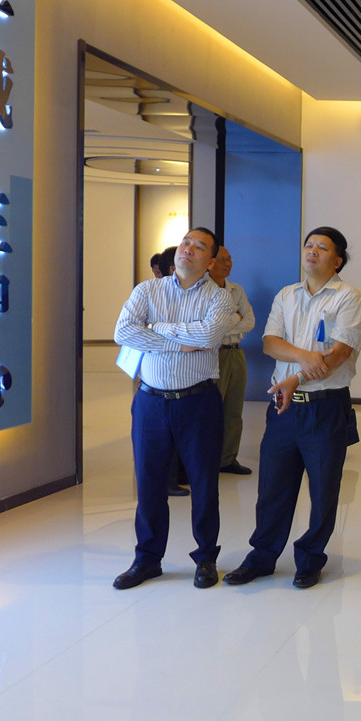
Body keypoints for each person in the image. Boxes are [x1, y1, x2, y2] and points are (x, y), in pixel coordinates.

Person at [223, 227, 361, 590]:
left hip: (325, 407)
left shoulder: (348, 297)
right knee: (272, 488)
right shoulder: (286, 295)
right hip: (283, 408)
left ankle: (310, 559)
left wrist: (296, 377)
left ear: (337, 261)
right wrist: (306, 358)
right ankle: (262, 557)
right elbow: (270, 343)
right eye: (309, 245)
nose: (312, 251)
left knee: (323, 490)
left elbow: (339, 354)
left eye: (322, 247)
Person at [112, 227, 231, 590]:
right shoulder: (147, 290)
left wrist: (156, 328)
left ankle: (206, 558)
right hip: (150, 402)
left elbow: (208, 336)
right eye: (185, 243)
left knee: (204, 483)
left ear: (210, 262)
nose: (188, 249)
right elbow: (123, 332)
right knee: (149, 483)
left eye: (199, 247)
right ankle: (147, 559)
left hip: (198, 401)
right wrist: (180, 342)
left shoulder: (219, 297)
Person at [209, 246, 257, 476]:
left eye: (229, 259)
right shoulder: (203, 289)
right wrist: (236, 317)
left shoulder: (237, 289)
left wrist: (230, 322)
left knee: (234, 409)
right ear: (210, 263)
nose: (227, 264)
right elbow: (211, 328)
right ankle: (208, 459)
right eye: (222, 260)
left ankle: (228, 459)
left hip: (236, 352)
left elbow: (250, 321)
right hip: (213, 353)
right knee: (212, 409)